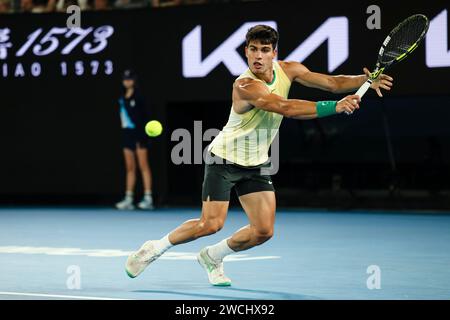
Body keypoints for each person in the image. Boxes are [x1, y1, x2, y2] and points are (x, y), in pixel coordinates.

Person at [125, 25, 393, 285]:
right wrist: (334, 108)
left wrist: (365, 80)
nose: (258, 56)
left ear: (274, 53)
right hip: (224, 160)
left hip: (257, 163)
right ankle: (155, 248)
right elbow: (283, 106)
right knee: (210, 224)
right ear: (246, 52)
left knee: (263, 231)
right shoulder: (244, 85)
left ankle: (213, 256)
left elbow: (333, 83)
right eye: (253, 49)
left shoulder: (290, 69)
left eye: (265, 50)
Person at [115, 69, 154, 210]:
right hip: (127, 135)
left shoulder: (139, 97)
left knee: (143, 166)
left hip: (140, 135)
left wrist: (143, 135)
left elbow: (145, 117)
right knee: (130, 167)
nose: (127, 81)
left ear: (134, 81)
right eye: (125, 79)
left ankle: (148, 197)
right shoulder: (121, 97)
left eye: (130, 79)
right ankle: (128, 198)